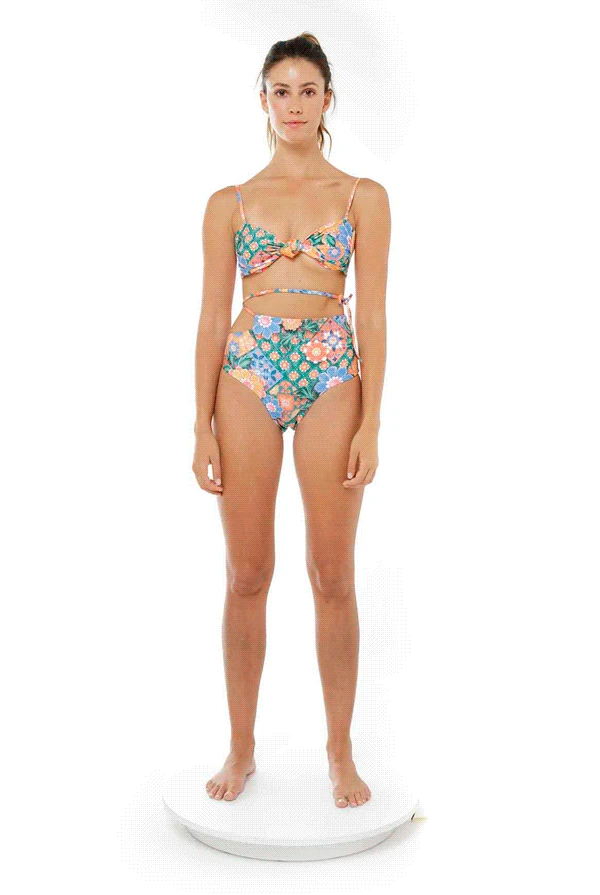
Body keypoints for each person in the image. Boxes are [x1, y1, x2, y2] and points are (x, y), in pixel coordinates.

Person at [192, 32, 390, 809]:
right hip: (247, 373)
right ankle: (241, 747)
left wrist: (372, 420)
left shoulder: (362, 196)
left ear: (328, 99)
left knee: (333, 574)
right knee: (247, 573)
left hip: (333, 372)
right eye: (282, 90)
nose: (295, 104)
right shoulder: (230, 203)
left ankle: (340, 750)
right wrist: (201, 424)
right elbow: (213, 319)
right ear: (264, 100)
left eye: (309, 90)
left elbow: (373, 316)